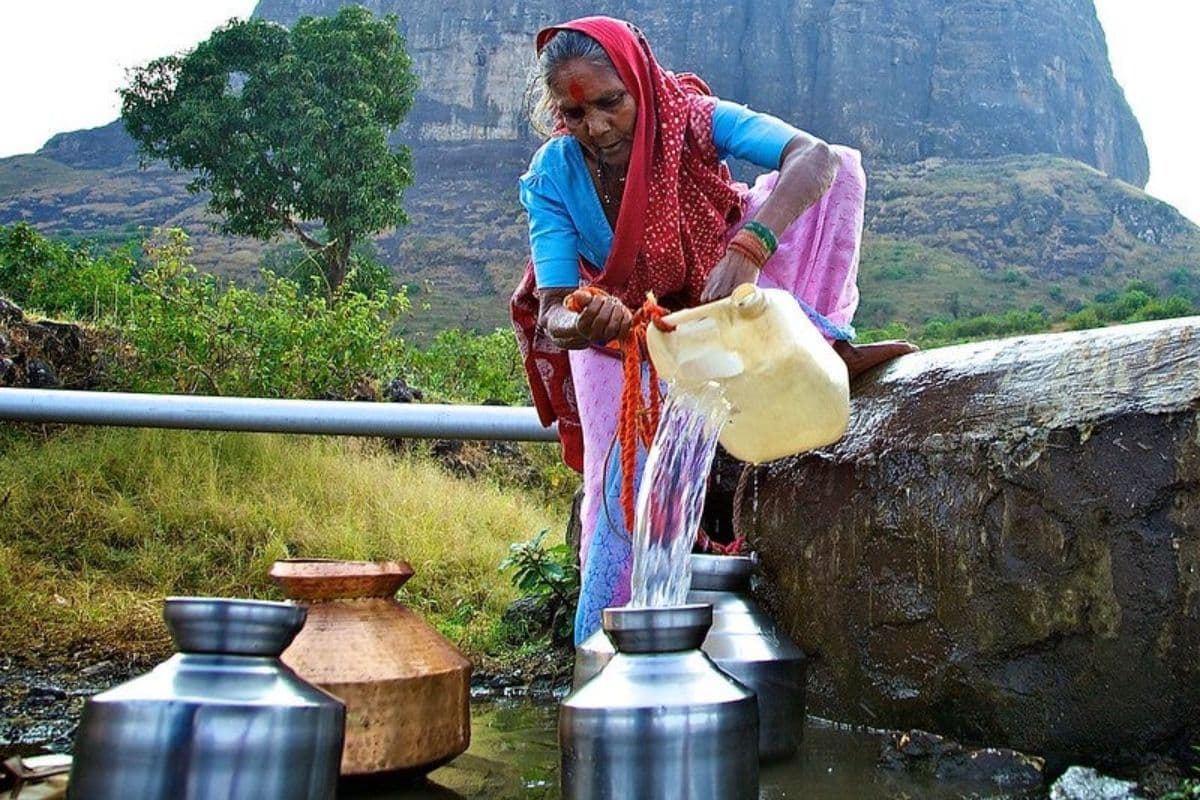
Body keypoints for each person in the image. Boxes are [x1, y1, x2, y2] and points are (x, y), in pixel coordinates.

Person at [510, 16, 915, 643]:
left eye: (610, 103)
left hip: (716, 298)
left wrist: (751, 247)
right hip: (619, 334)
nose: (596, 127)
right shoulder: (553, 175)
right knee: (617, 496)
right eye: (573, 114)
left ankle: (822, 340)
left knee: (846, 175)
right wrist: (588, 316)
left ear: (640, 84)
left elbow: (815, 159)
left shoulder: (689, 119)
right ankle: (603, 651)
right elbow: (556, 308)